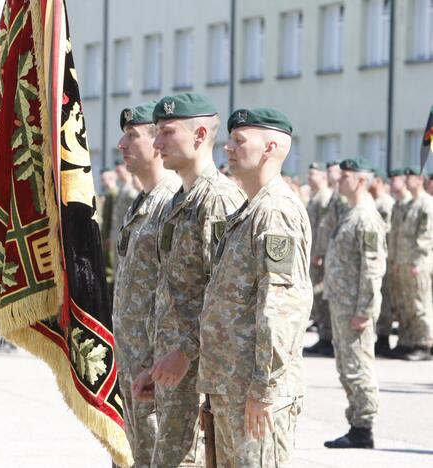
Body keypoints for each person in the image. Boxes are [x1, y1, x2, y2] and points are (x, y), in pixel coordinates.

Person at [133, 93, 245, 467]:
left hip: (200, 375)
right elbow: (175, 292)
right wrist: (155, 362)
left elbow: (225, 297)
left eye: (166, 132)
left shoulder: (217, 200)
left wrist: (183, 353)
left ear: (199, 135)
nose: (156, 142)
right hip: (174, 373)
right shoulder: (177, 201)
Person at [198, 108, 311, 467]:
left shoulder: (275, 211)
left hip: (255, 395)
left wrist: (265, 390)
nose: (227, 148)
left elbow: (282, 307)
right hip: (230, 390)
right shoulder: (249, 210)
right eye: (229, 139)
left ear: (270, 148)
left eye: (239, 141)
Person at [113, 101, 180, 467]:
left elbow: (180, 290)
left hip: (155, 367)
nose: (122, 144)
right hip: (132, 359)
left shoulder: (171, 203)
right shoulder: (141, 201)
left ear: (156, 142)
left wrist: (156, 362)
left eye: (132, 135)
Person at [323, 158, 386, 449]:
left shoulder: (366, 218)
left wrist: (364, 310)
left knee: (358, 365)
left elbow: (373, 269)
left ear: (361, 180)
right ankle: (356, 424)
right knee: (346, 365)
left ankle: (363, 428)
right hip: (342, 304)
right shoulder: (351, 214)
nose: (339, 180)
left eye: (345, 176)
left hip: (354, 308)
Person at [391, 167, 433, 361]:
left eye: (410, 177)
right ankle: (407, 341)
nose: (406, 180)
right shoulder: (409, 204)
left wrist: (417, 260)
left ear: (420, 179)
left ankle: (424, 343)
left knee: (420, 304)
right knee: (405, 304)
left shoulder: (427, 204)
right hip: (403, 261)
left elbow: (426, 236)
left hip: (418, 263)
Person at [307, 160, 347, 356]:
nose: (332, 174)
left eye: (334, 171)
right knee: (321, 297)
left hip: (329, 254)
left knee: (326, 295)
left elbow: (329, 228)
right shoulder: (328, 196)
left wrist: (320, 252)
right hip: (323, 251)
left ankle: (329, 337)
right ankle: (325, 335)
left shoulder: (331, 197)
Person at [380, 168, 412, 356]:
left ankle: (420, 343)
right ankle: (405, 340)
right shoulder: (399, 205)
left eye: (396, 180)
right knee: (401, 303)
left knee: (414, 304)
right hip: (397, 259)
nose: (392, 183)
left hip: (411, 261)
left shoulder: (414, 203)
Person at [370, 169, 396, 356]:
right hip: (381, 255)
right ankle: (380, 337)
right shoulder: (375, 202)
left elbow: (387, 231)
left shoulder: (385, 203)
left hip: (385, 256)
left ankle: (384, 338)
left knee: (385, 298)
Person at [305, 162, 331, 336]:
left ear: (323, 176)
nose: (309, 177)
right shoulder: (315, 197)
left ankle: (325, 332)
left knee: (321, 293)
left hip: (319, 253)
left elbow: (324, 227)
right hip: (313, 250)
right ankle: (321, 328)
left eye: (313, 174)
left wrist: (319, 252)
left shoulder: (324, 198)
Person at [111, 159, 139, 273]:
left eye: (119, 169)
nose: (117, 173)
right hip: (118, 235)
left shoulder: (131, 191)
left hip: (126, 238)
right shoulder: (123, 189)